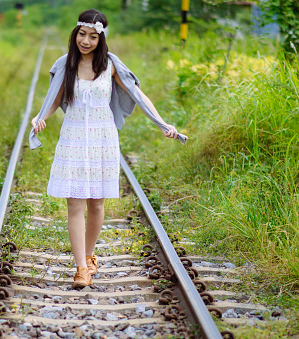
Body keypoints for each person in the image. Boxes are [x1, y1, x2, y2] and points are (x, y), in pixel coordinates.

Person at [30, 9, 186, 289]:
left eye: (92, 36)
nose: (86, 41)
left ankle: (89, 256)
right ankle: (80, 269)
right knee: (75, 203)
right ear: (75, 34)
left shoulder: (111, 65)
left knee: (97, 204)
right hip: (73, 139)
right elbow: (53, 99)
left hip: (103, 140)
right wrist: (41, 118)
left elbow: (138, 95)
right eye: (82, 34)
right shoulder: (66, 64)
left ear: (101, 38)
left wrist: (162, 123)